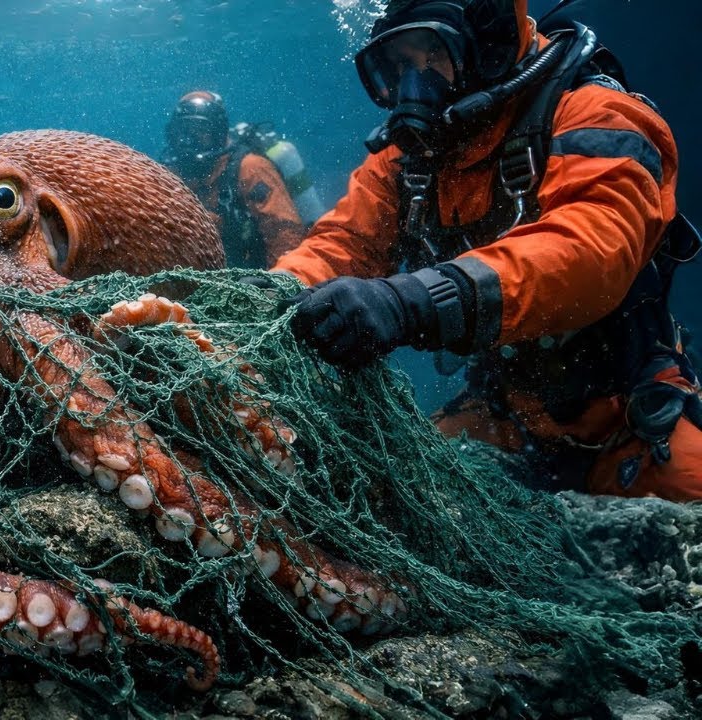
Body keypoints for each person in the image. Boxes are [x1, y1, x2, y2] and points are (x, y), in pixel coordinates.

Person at [274, 0, 702, 500]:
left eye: (432, 54)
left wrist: (419, 300)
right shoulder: (410, 159)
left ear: (487, 45)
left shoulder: (597, 113)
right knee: (392, 499)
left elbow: (592, 247)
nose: (415, 83)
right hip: (500, 414)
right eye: (400, 66)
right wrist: (274, 291)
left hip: (626, 415)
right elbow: (344, 243)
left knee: (690, 510)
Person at [161, 91, 306, 268]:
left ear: (218, 132)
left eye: (201, 130)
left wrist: (277, 279)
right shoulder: (170, 175)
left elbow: (284, 232)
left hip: (255, 273)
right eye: (184, 130)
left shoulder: (250, 168)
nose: (190, 139)